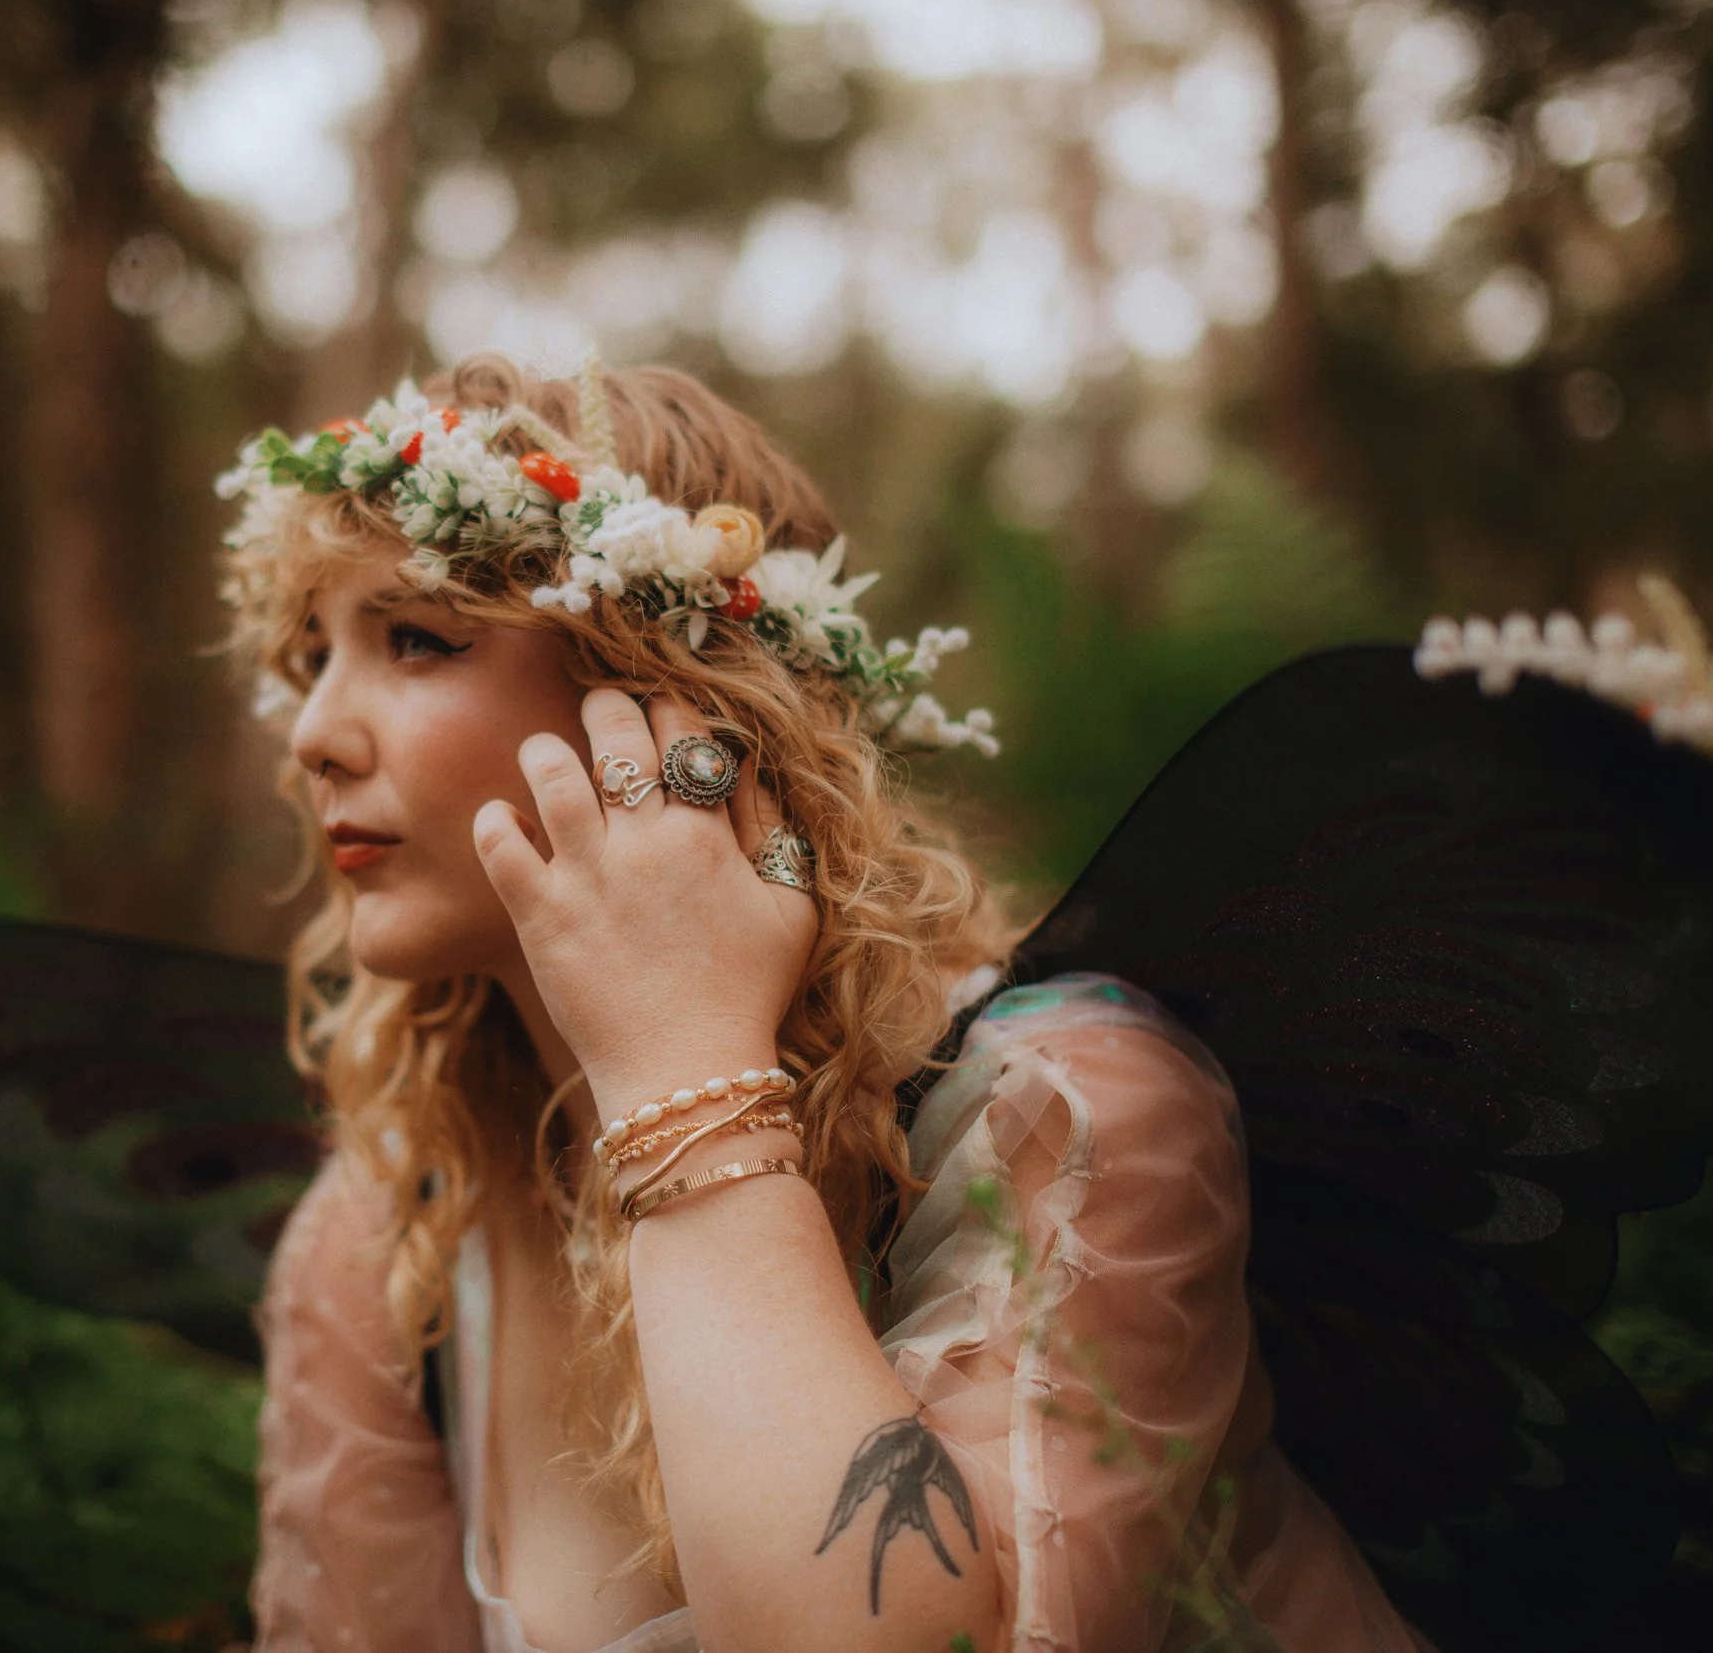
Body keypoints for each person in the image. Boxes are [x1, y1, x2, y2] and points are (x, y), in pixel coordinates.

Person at [221, 354, 1433, 1653]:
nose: (313, 730)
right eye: (310, 651)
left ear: (662, 685)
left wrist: (681, 1071)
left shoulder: (1063, 1112)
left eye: (417, 637)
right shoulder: (388, 1234)